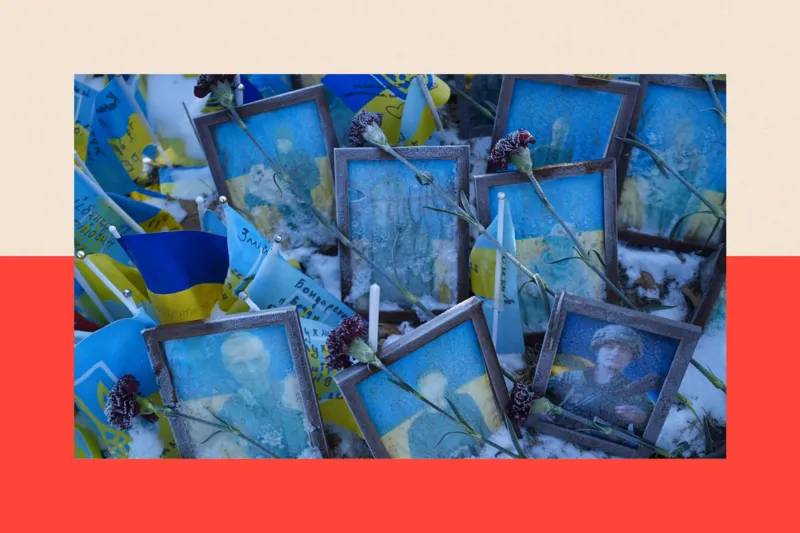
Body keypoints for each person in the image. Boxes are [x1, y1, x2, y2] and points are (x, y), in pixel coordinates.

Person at [546, 325, 658, 435]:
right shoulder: (568, 378)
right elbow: (541, 400)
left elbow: (652, 434)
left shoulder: (637, 395)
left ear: (630, 358)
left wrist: (642, 419)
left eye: (623, 349)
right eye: (609, 346)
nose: (615, 353)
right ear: (598, 351)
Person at [215, 331, 310, 458]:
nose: (251, 370)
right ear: (228, 368)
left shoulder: (293, 392)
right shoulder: (229, 411)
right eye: (239, 364)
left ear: (267, 358)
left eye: (256, 360)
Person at [407, 370, 489, 458]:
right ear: (419, 389)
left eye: (436, 379)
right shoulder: (416, 429)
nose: (432, 386)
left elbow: (488, 436)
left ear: (445, 380)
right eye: (425, 383)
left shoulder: (464, 401)